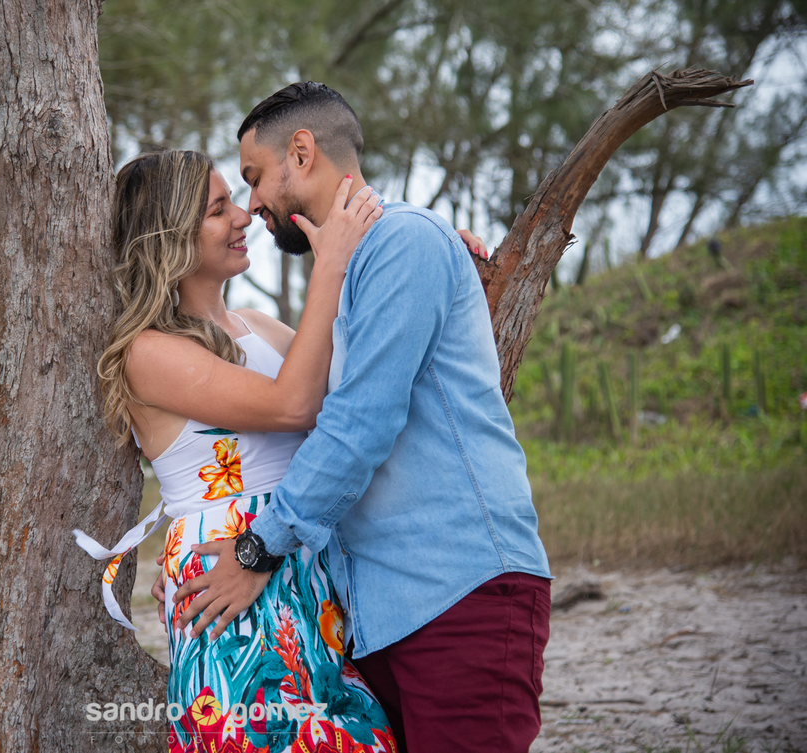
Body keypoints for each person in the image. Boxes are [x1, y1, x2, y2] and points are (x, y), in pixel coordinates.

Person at [170, 82, 553, 753]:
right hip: (378, 618)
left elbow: (357, 427)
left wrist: (256, 549)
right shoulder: (351, 274)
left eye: (254, 178)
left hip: (457, 593)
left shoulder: (403, 242)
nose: (252, 205)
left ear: (302, 152)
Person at [74, 148, 486, 753]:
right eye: (218, 209)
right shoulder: (147, 352)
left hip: (301, 564)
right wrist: (330, 266)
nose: (243, 217)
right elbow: (292, 405)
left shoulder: (258, 327)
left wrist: (432, 258)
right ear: (171, 236)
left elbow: (358, 387)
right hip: (227, 573)